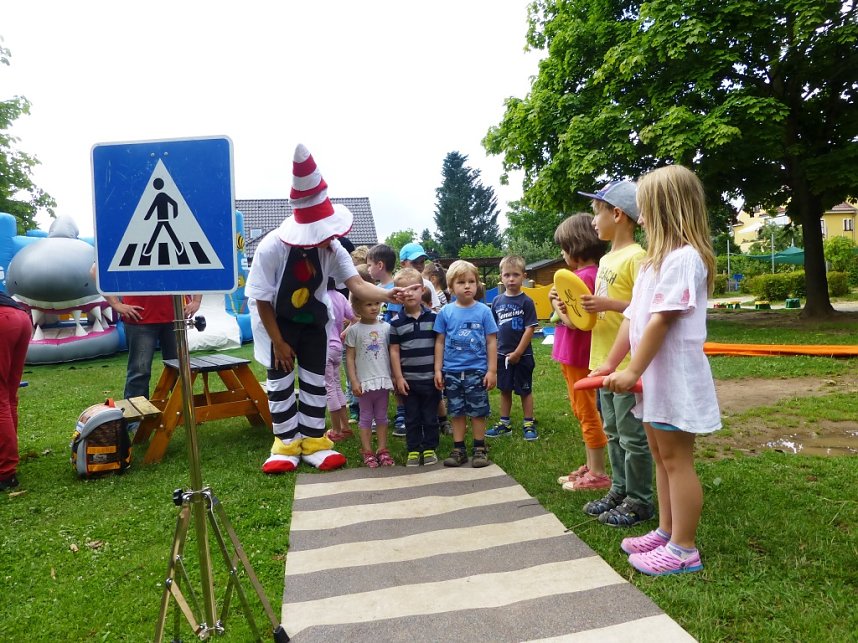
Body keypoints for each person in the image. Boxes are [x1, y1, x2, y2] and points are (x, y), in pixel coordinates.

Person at [246, 144, 408, 474]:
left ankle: (313, 440)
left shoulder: (332, 248)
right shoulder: (271, 247)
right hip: (277, 322)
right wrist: (278, 342)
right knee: (280, 382)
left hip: (314, 323)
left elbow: (357, 285)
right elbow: (261, 299)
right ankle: (285, 443)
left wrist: (389, 295)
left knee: (314, 381)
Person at [595, 165, 720, 575]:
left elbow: (661, 321)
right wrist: (611, 363)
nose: (640, 214)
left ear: (666, 208)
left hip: (674, 378)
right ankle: (667, 531)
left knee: (677, 460)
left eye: (645, 207)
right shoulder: (652, 263)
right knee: (660, 456)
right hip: (654, 378)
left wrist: (632, 371)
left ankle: (684, 549)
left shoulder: (684, 260)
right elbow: (633, 317)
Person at [579, 180, 654, 526]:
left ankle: (639, 500)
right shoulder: (608, 257)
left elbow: (644, 309)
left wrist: (608, 304)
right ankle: (620, 489)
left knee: (631, 436)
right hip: (603, 360)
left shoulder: (637, 257)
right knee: (612, 431)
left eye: (598, 213)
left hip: (626, 364)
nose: (593, 221)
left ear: (618, 214)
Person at [548, 214, 610, 491]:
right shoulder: (592, 275)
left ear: (575, 246)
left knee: (586, 411)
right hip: (575, 355)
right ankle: (590, 465)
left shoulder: (583, 278)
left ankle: (598, 473)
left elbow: (575, 321)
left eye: (564, 248)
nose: (562, 254)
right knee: (581, 409)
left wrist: (556, 306)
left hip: (577, 355)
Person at [434, 260, 498, 468]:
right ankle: (459, 449)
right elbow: (440, 341)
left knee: (478, 412)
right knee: (456, 411)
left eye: (471, 281)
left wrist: (492, 370)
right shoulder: (445, 312)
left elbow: (491, 341)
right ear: (451, 287)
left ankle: (480, 448)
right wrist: (438, 369)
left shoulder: (484, 311)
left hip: (477, 372)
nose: (467, 286)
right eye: (461, 282)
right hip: (452, 372)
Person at [389, 267, 441, 467]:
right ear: (397, 295)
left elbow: (439, 345)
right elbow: (394, 351)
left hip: (430, 379)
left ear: (422, 290)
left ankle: (429, 448)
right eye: (404, 290)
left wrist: (438, 371)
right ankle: (413, 449)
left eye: (413, 288)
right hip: (408, 381)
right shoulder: (396, 323)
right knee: (411, 417)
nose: (409, 293)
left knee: (430, 416)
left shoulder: (434, 318)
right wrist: (398, 377)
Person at [105, 292, 201, 400]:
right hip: (140, 317)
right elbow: (99, 280)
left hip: (175, 316)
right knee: (140, 372)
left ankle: (180, 408)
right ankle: (137, 410)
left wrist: (196, 301)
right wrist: (116, 304)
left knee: (180, 371)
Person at [487, 255, 539, 440]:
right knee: (505, 389)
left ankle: (528, 423)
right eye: (507, 275)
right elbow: (493, 329)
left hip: (523, 356)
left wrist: (518, 352)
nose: (511, 279)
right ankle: (504, 423)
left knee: (525, 390)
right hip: (502, 356)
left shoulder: (527, 302)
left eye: (515, 275)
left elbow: (530, 329)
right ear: (501, 277)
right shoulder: (497, 301)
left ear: (523, 276)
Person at [345, 294, 395, 467]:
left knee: (382, 417)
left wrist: (394, 376)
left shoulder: (387, 328)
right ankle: (367, 451)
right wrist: (354, 381)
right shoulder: (354, 330)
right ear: (357, 308)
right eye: (368, 304)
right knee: (365, 417)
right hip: (364, 383)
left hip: (382, 381)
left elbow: (392, 353)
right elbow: (350, 358)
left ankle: (382, 449)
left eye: (376, 303)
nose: (374, 307)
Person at [366, 243, 407, 436]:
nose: (368, 269)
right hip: (377, 343)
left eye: (369, 265)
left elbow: (396, 319)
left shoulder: (395, 288)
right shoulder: (374, 289)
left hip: (393, 343)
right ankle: (378, 414)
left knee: (396, 377)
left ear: (380, 265)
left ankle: (402, 414)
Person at [0, 291, 32, 491]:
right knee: (8, 397)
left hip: (3, 320)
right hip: (19, 317)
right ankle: (8, 460)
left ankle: (5, 471)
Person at [324, 278, 357, 443]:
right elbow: (355, 318)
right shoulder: (340, 296)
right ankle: (345, 427)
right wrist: (343, 333)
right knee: (337, 386)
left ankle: (336, 430)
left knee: (329, 388)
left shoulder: (319, 297)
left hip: (323, 348)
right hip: (337, 346)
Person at [399, 242, 442, 310]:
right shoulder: (397, 285)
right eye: (414, 262)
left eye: (422, 262)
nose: (419, 266)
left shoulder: (427, 284)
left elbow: (434, 309)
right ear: (403, 264)